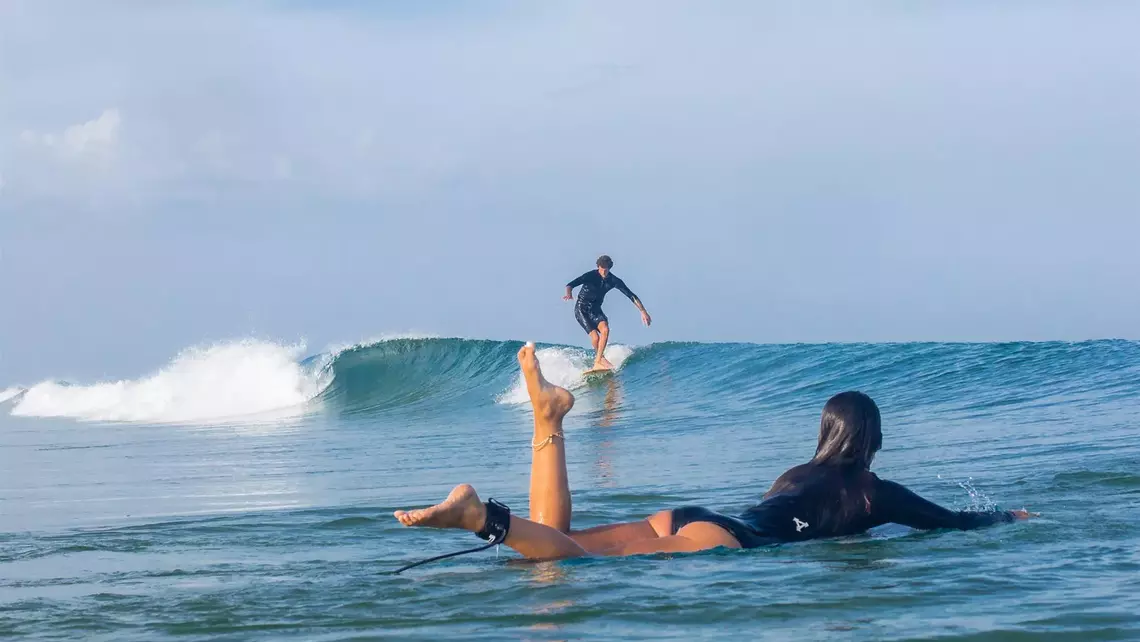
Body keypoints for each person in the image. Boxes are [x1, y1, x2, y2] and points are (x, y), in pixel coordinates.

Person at [394, 344, 1034, 561]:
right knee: (564, 562)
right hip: (723, 540)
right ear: (871, 442)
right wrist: (1007, 519)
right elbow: (950, 523)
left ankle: (550, 419)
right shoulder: (871, 491)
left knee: (560, 544)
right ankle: (482, 518)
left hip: (688, 513)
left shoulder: (796, 471)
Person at [563, 255, 651, 371]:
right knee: (595, 337)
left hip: (596, 309)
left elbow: (631, 295)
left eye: (607, 267)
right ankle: (600, 359)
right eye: (602, 267)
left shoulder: (613, 280)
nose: (604, 270)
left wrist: (643, 311)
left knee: (605, 330)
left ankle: (598, 360)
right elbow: (570, 284)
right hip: (581, 309)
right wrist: (569, 294)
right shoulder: (591, 275)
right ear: (598, 266)